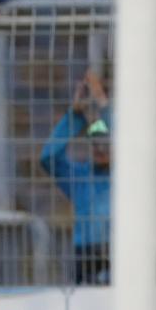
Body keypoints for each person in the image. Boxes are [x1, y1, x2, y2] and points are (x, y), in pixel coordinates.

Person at [40, 70, 112, 285]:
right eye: (96, 143)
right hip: (86, 253)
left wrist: (102, 103)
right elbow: (49, 158)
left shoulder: (130, 175)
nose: (100, 149)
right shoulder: (81, 177)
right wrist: (75, 116)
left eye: (106, 144)